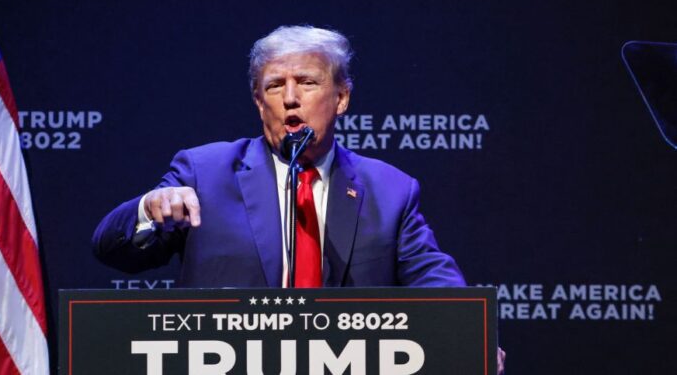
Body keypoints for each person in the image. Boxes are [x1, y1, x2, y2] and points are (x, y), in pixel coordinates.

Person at [92, 25, 465, 288]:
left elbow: (434, 280)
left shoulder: (389, 190)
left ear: (341, 98)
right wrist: (148, 208)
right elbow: (111, 249)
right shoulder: (204, 174)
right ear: (259, 102)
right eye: (274, 86)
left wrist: (469, 335)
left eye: (307, 82)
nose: (289, 97)